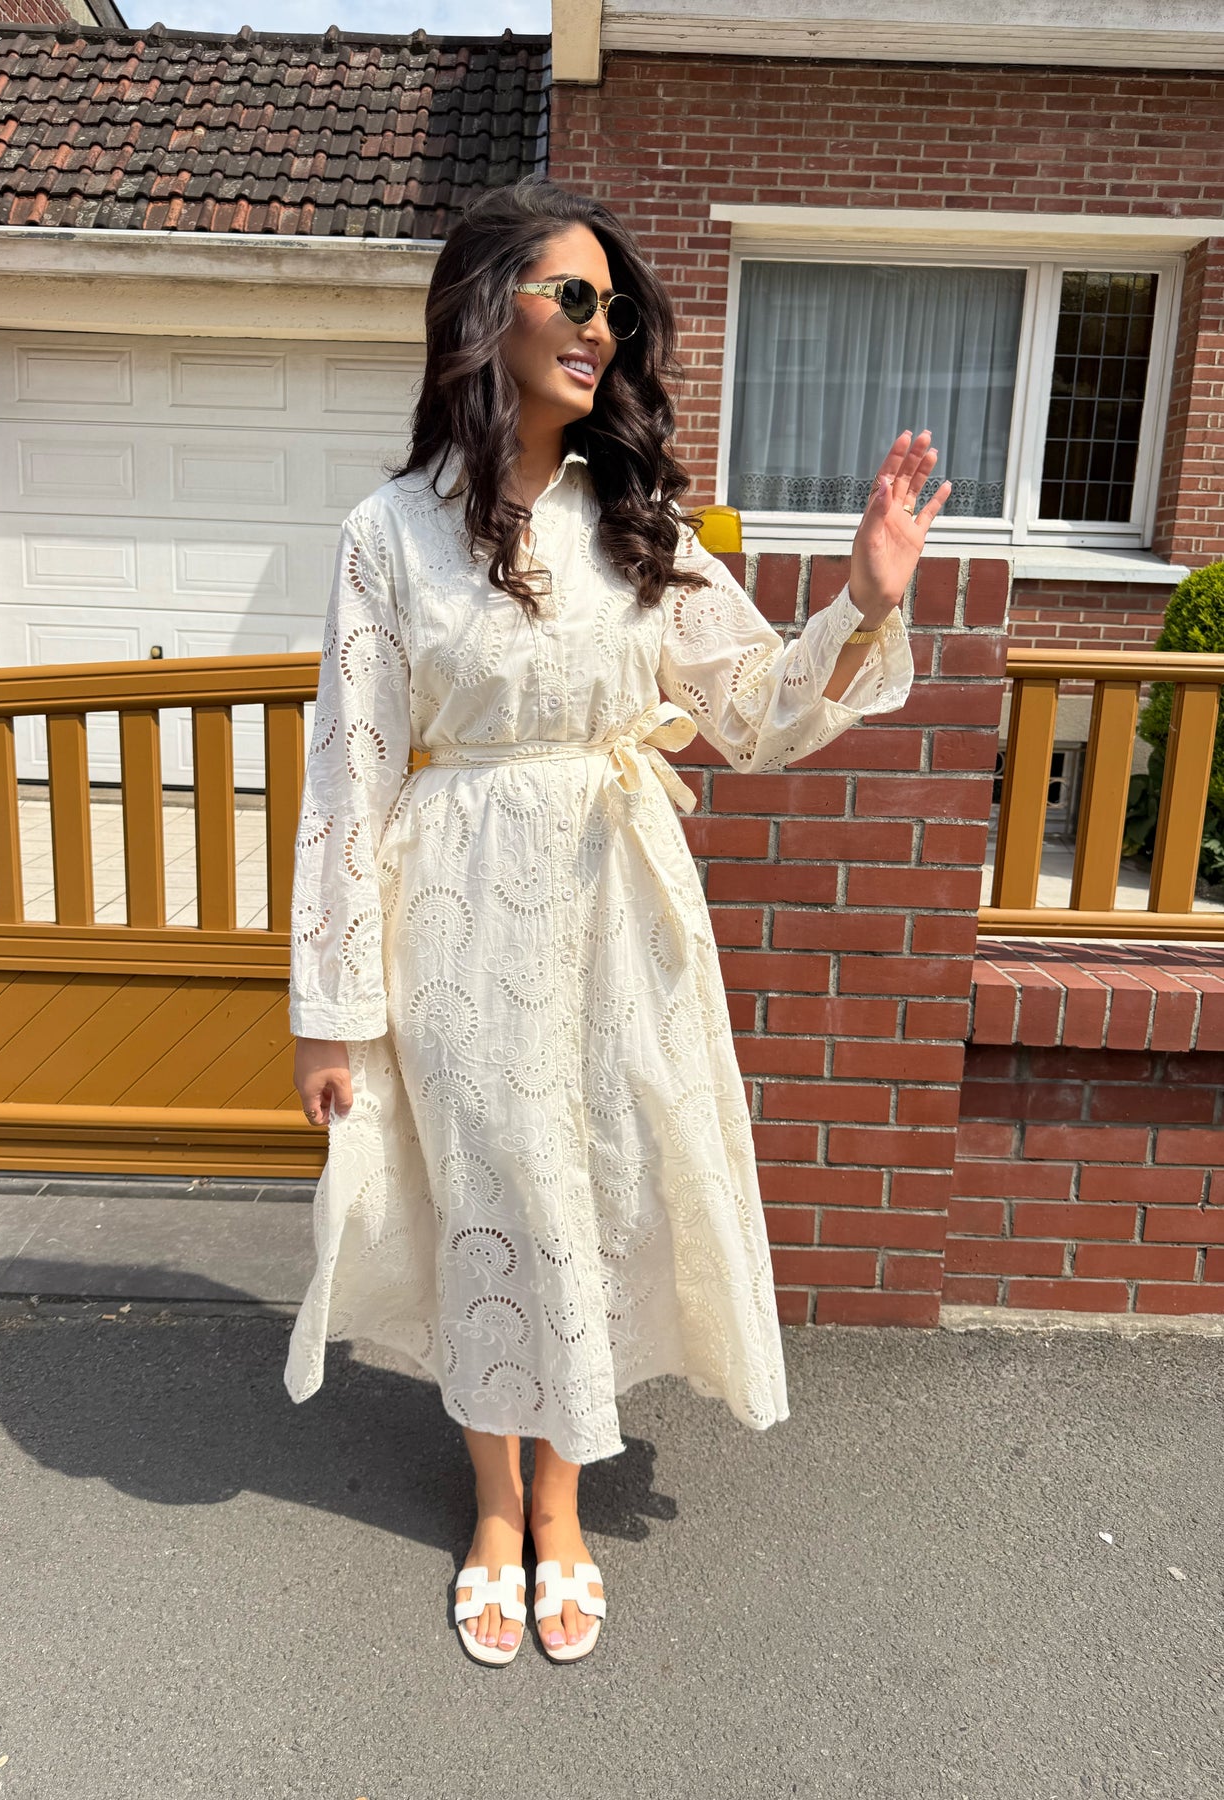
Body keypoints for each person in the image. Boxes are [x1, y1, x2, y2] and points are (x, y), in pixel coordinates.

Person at [283, 175, 951, 1666]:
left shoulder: (640, 528)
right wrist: (330, 1011)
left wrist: (861, 602)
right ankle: (495, 1508)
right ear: (489, 311)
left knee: (584, 1184)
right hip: (455, 913)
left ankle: (562, 1501)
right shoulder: (389, 536)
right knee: (487, 1191)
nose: (601, 330)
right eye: (576, 298)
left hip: (616, 915)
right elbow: (346, 773)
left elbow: (757, 713)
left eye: (617, 311)